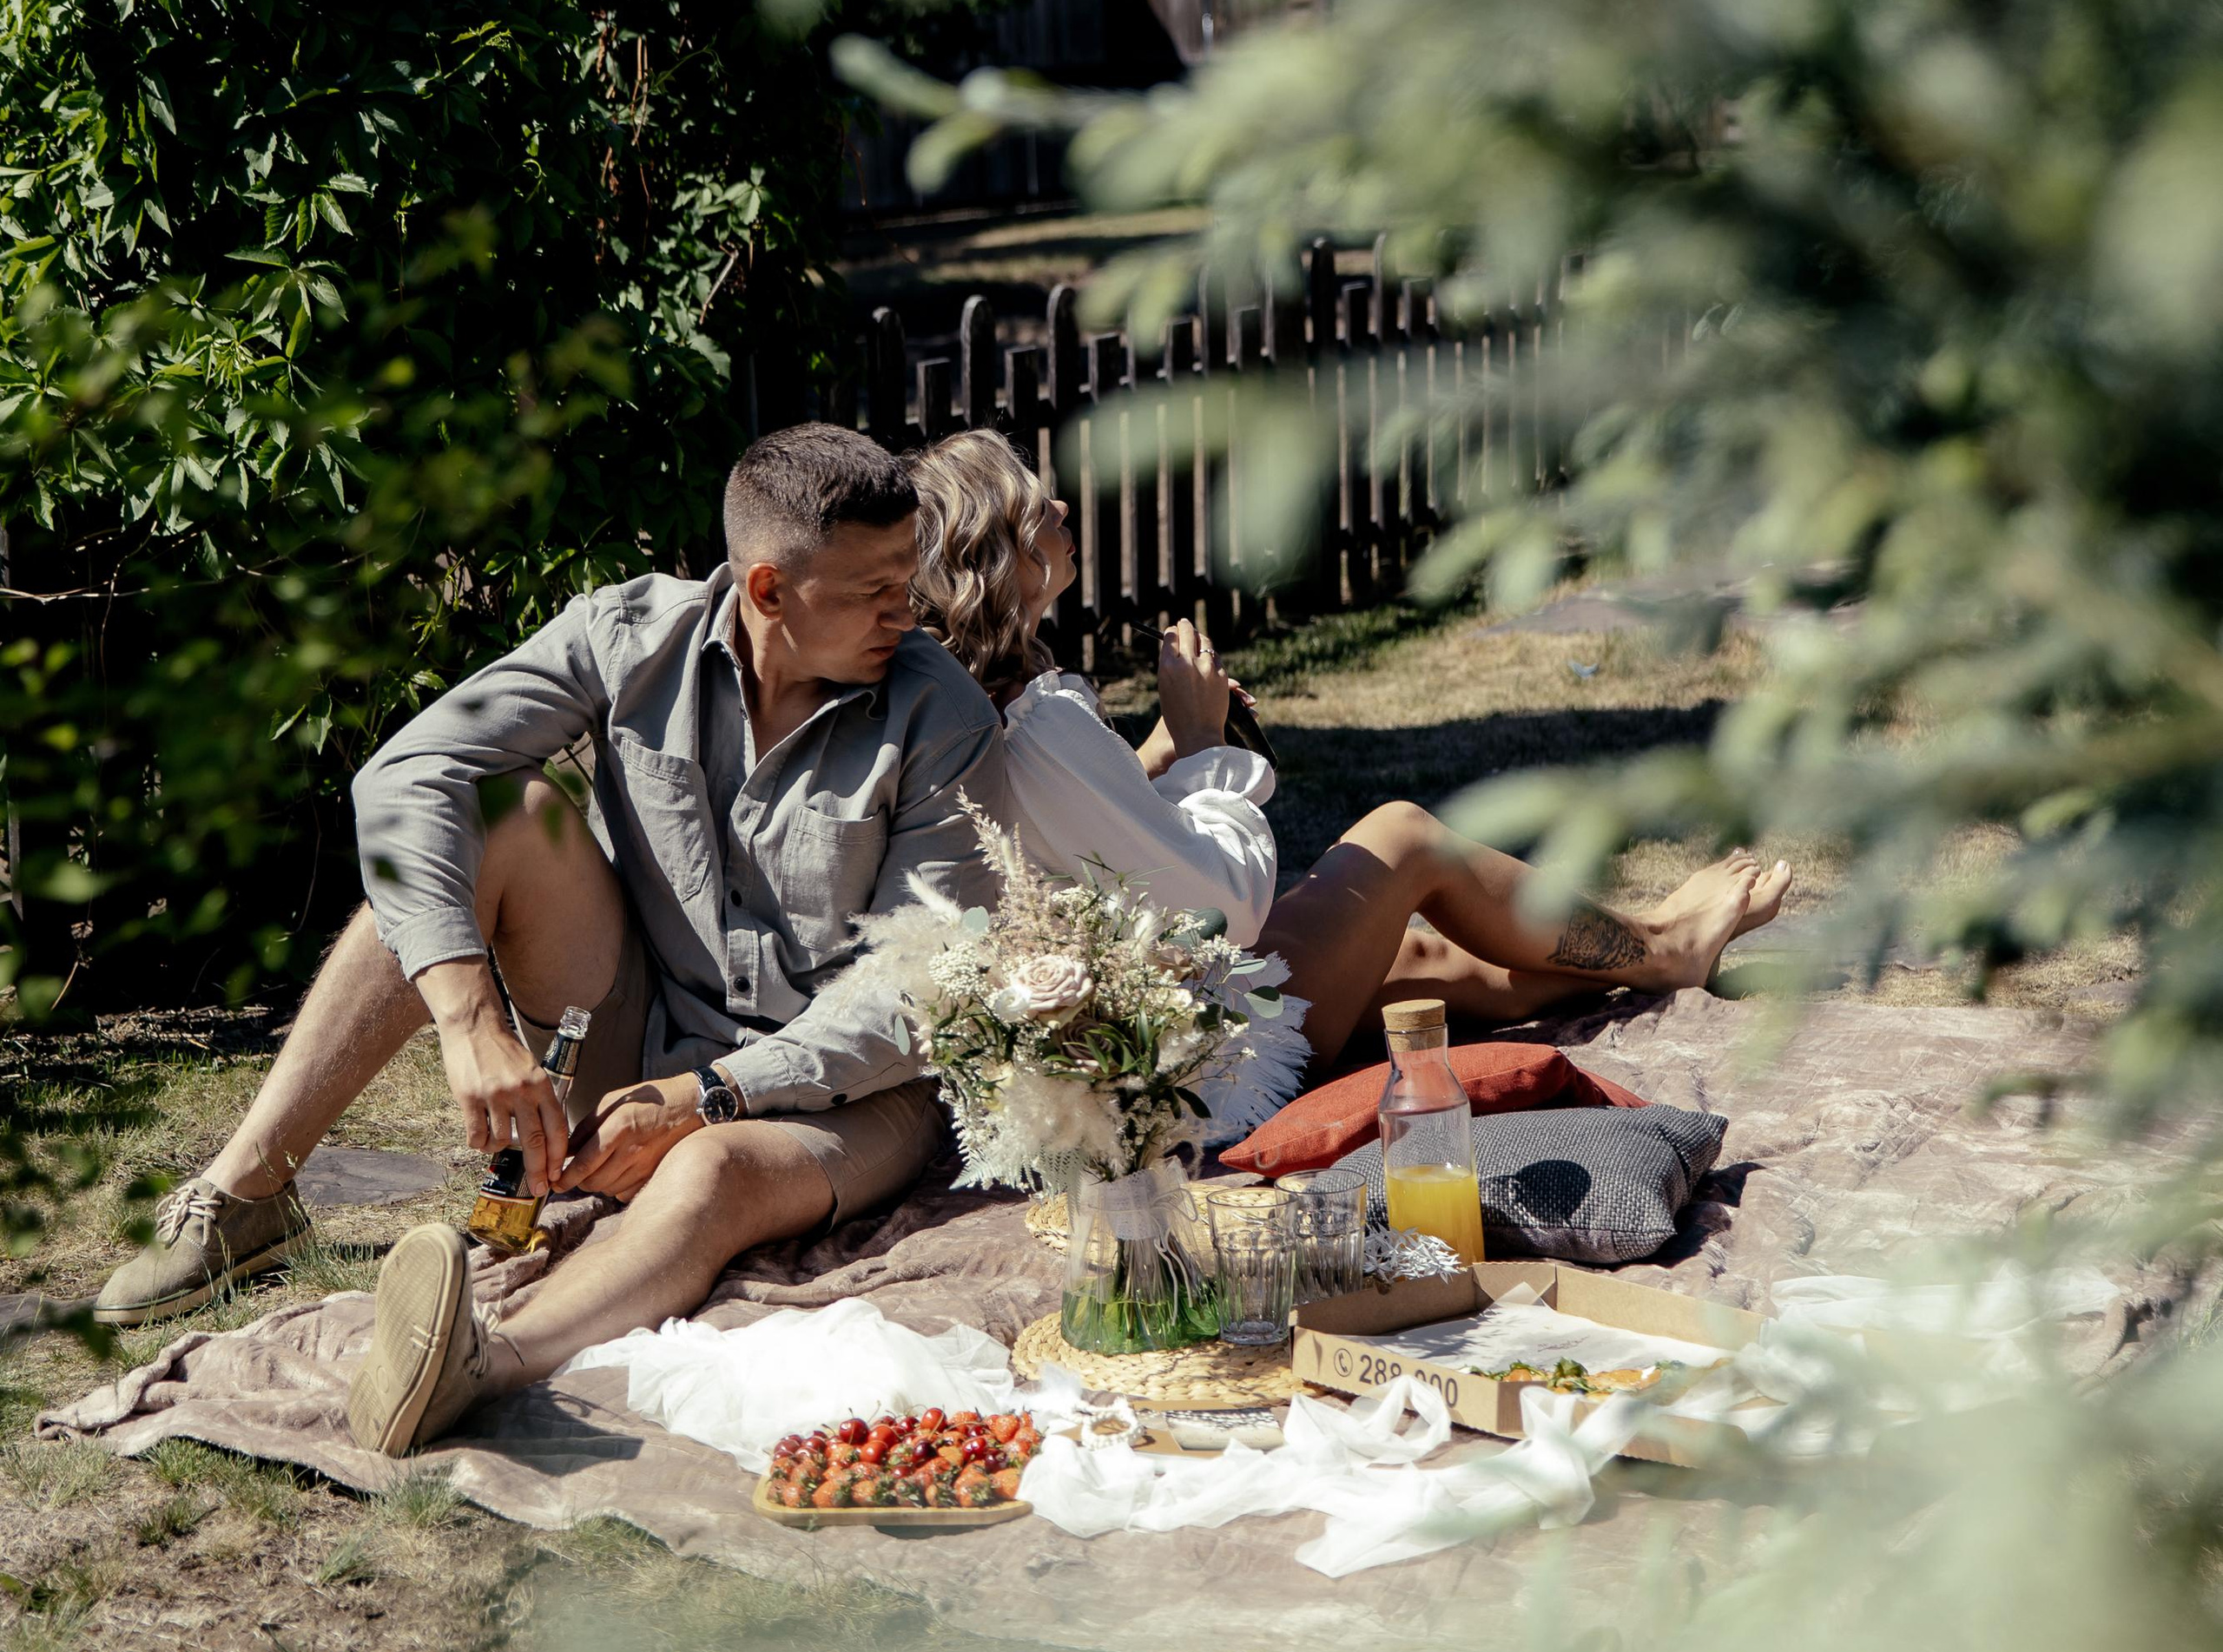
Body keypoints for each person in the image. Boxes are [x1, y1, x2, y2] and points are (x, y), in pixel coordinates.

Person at [95, 425, 1006, 1458]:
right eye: (875, 588)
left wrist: (714, 1095)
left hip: (848, 1092)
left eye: (908, 577)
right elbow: (404, 776)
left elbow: (911, 992)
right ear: (766, 590)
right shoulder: (624, 636)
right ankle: (245, 1197)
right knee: (490, 819)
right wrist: (468, 1019)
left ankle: (482, 1358)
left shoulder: (944, 718)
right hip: (643, 1032)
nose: (909, 608)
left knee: (710, 1173)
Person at [905, 429, 1791, 1083]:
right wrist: (1207, 747)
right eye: (1036, 502)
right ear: (1002, 552)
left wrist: (1161, 748)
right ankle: (1668, 946)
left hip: (1131, 1026)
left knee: (1418, 962)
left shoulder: (972, 706)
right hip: (1190, 1062)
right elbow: (1221, 907)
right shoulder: (1037, 722)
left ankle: (1640, 955)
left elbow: (1072, 842)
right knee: (1402, 838)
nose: (1060, 510)